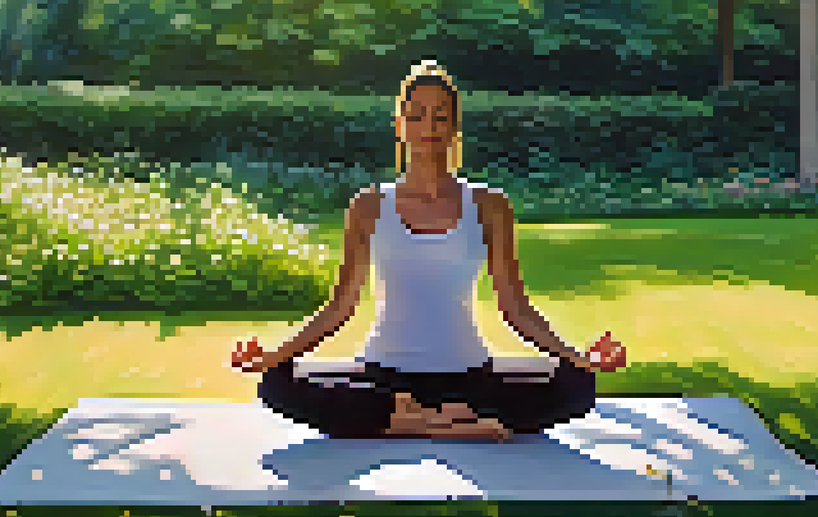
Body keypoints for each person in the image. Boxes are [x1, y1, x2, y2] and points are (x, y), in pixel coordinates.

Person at [231, 60, 629, 440]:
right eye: (417, 115)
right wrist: (275, 354)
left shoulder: (490, 205)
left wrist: (577, 356)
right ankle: (441, 423)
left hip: (469, 374)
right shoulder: (369, 206)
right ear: (400, 124)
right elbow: (341, 308)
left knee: (578, 385)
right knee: (277, 383)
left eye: (441, 115)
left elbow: (515, 308)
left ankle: (404, 420)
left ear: (454, 127)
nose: (429, 126)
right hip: (383, 374)